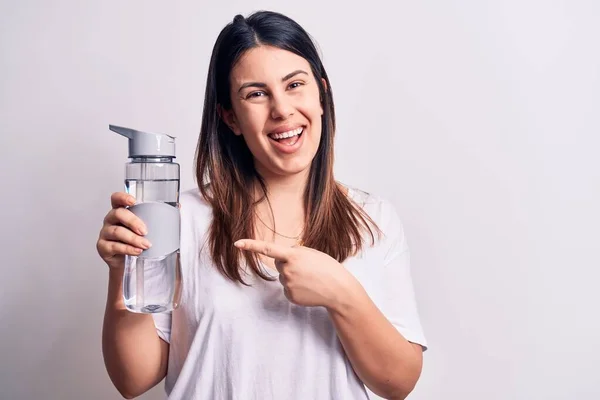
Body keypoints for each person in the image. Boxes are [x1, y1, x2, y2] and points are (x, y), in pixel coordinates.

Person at [96, 10, 427, 400]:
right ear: (230, 117)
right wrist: (123, 274)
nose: (282, 109)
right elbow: (133, 379)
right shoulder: (183, 219)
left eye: (295, 85)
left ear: (321, 94)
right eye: (256, 93)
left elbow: (398, 383)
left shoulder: (373, 219)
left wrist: (342, 293)